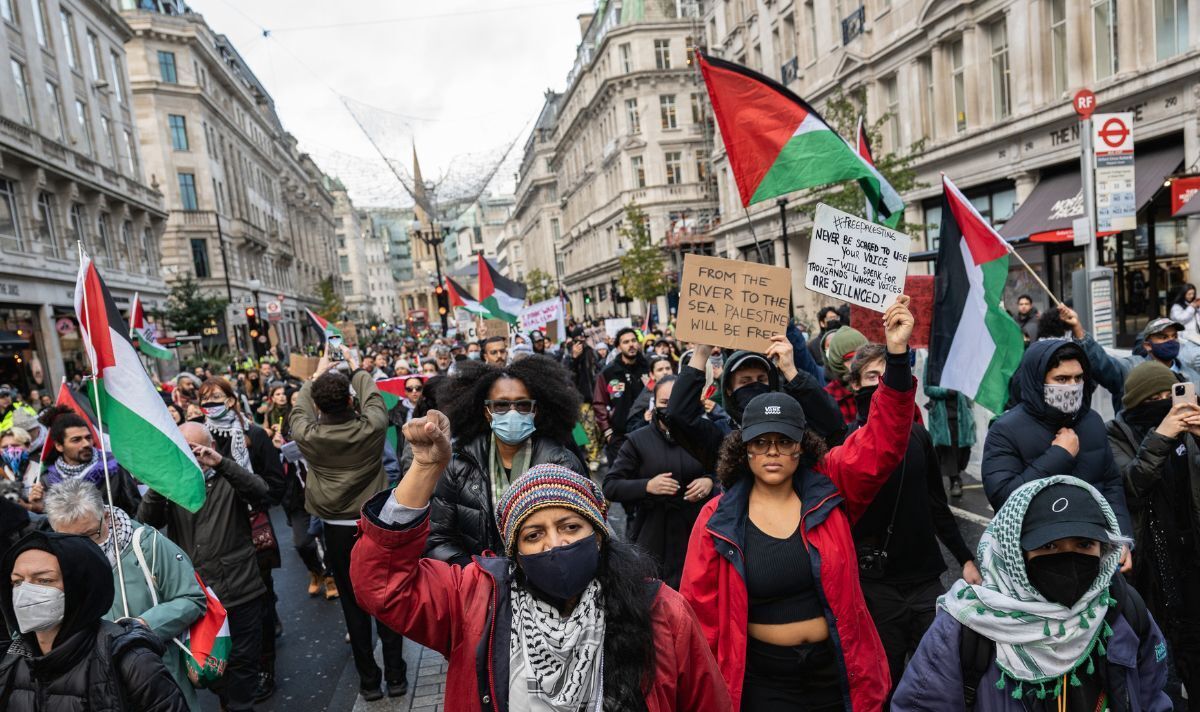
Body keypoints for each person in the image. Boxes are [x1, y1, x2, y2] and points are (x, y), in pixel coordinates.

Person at [350, 416, 733, 712]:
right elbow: (383, 585)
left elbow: (706, 702)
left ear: (598, 534)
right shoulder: (474, 599)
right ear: (513, 551)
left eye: (569, 526)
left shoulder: (662, 611)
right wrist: (425, 470)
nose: (555, 544)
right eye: (533, 535)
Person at [679, 295, 917, 711]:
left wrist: (896, 358)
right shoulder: (717, 521)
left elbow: (882, 443)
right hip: (763, 683)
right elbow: (699, 620)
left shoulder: (830, 489)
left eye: (784, 441)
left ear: (800, 447)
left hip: (839, 673)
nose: (772, 452)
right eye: (761, 442)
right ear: (744, 450)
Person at [892, 477, 1171, 711]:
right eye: (1049, 546)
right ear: (1015, 552)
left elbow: (1152, 697)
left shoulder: (1122, 610)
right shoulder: (965, 628)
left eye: (1084, 544)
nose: (1068, 560)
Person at [846, 343, 978, 701]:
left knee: (937, 673)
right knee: (886, 679)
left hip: (924, 581)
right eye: (872, 377)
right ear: (855, 386)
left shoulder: (919, 437)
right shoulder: (847, 445)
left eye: (886, 376)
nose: (880, 384)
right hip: (877, 585)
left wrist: (965, 557)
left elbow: (938, 505)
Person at [288, 351, 407, 701]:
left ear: (320, 407)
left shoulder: (308, 435)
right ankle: (397, 677)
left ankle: (369, 683)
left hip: (336, 530)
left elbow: (299, 409)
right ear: (350, 400)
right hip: (375, 524)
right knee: (386, 598)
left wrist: (315, 376)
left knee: (353, 606)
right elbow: (373, 397)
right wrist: (354, 367)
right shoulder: (371, 427)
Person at [138, 423, 269, 712]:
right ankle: (228, 700)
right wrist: (162, 482)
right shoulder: (173, 484)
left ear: (211, 446)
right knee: (209, 664)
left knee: (244, 662)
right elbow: (147, 520)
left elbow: (261, 493)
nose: (193, 456)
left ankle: (238, 706)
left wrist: (222, 463)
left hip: (241, 587)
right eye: (186, 450)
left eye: (198, 449)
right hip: (199, 593)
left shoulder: (228, 476)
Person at [43, 478, 205, 710]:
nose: (82, 547)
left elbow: (192, 598)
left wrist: (141, 626)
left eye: (90, 534)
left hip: (155, 676)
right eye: (70, 540)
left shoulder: (146, 544)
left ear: (106, 516)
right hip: (95, 686)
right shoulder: (51, 559)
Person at [1, 530, 191, 712]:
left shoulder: (130, 662)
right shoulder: (10, 661)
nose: (25, 593)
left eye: (44, 580)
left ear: (81, 587)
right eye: (17, 582)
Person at [425, 356, 585, 565]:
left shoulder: (562, 464)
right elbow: (439, 540)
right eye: (501, 405)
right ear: (487, 412)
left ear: (534, 411)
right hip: (479, 586)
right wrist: (479, 573)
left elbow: (580, 535)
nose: (512, 412)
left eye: (522, 405)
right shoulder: (459, 466)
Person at [1106, 360, 1200, 707]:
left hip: (1191, 561)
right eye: (1155, 398)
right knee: (1161, 666)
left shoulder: (1191, 434)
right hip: (1151, 571)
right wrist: (1161, 437)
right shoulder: (1114, 433)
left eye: (1170, 394)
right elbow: (1130, 485)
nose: (1165, 402)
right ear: (1135, 403)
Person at [982, 340, 1134, 550]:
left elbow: (1111, 485)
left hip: (1094, 547)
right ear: (1038, 381)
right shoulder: (1005, 430)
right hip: (1040, 553)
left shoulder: (1092, 421)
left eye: (1078, 378)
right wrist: (1059, 455)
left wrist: (1121, 539)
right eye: (1061, 379)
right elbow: (1004, 499)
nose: (1072, 386)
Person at [665, 334, 845, 475]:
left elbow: (831, 424)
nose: (755, 385)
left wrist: (791, 371)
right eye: (745, 381)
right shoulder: (720, 435)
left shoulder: (795, 425)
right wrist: (701, 352)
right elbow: (678, 415)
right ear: (728, 389)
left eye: (761, 379)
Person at [604, 376, 715, 588]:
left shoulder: (705, 434)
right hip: (653, 533)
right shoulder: (638, 439)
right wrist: (647, 486)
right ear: (654, 404)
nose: (671, 409)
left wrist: (709, 481)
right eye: (664, 403)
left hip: (697, 531)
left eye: (677, 402)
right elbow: (610, 486)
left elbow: (725, 472)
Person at [34, 407, 141, 517]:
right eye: (76, 440)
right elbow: (52, 525)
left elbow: (135, 509)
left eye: (88, 438)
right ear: (59, 446)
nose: (86, 444)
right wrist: (39, 508)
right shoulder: (47, 480)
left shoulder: (113, 467)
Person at [593, 328, 649, 463]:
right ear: (618, 347)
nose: (631, 344)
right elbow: (599, 403)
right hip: (619, 437)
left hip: (647, 432)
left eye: (634, 341)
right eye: (626, 342)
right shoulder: (609, 372)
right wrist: (608, 433)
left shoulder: (648, 367)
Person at [924, 378, 976, 498]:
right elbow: (928, 388)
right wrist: (946, 391)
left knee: (964, 451)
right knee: (948, 450)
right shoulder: (933, 362)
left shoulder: (962, 362)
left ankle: (956, 473)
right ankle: (954, 480)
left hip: (963, 415)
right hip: (943, 417)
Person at [823, 326, 868, 425]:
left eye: (862, 356)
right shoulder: (830, 397)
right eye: (850, 358)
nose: (857, 363)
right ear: (838, 362)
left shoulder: (881, 386)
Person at [625, 354, 677, 433]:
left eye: (668, 368)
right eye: (660, 370)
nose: (665, 372)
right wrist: (645, 420)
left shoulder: (681, 390)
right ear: (652, 375)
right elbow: (632, 428)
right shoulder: (646, 394)